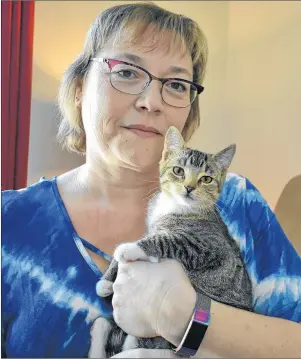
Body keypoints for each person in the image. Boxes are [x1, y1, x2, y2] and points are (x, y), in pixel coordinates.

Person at [2, 2, 301, 358]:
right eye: (127, 72)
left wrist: (190, 318)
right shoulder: (11, 223)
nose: (150, 101)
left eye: (175, 84)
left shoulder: (238, 202)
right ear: (80, 88)